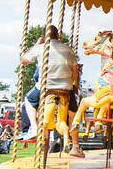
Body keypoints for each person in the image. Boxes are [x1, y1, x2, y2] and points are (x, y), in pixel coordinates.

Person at [20, 25, 83, 157]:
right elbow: (75, 73)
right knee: (73, 115)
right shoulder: (68, 49)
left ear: (44, 37)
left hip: (46, 87)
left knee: (28, 100)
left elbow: (24, 60)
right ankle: (76, 145)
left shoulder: (40, 47)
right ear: (58, 36)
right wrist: (68, 84)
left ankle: (34, 128)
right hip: (65, 88)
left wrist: (37, 43)